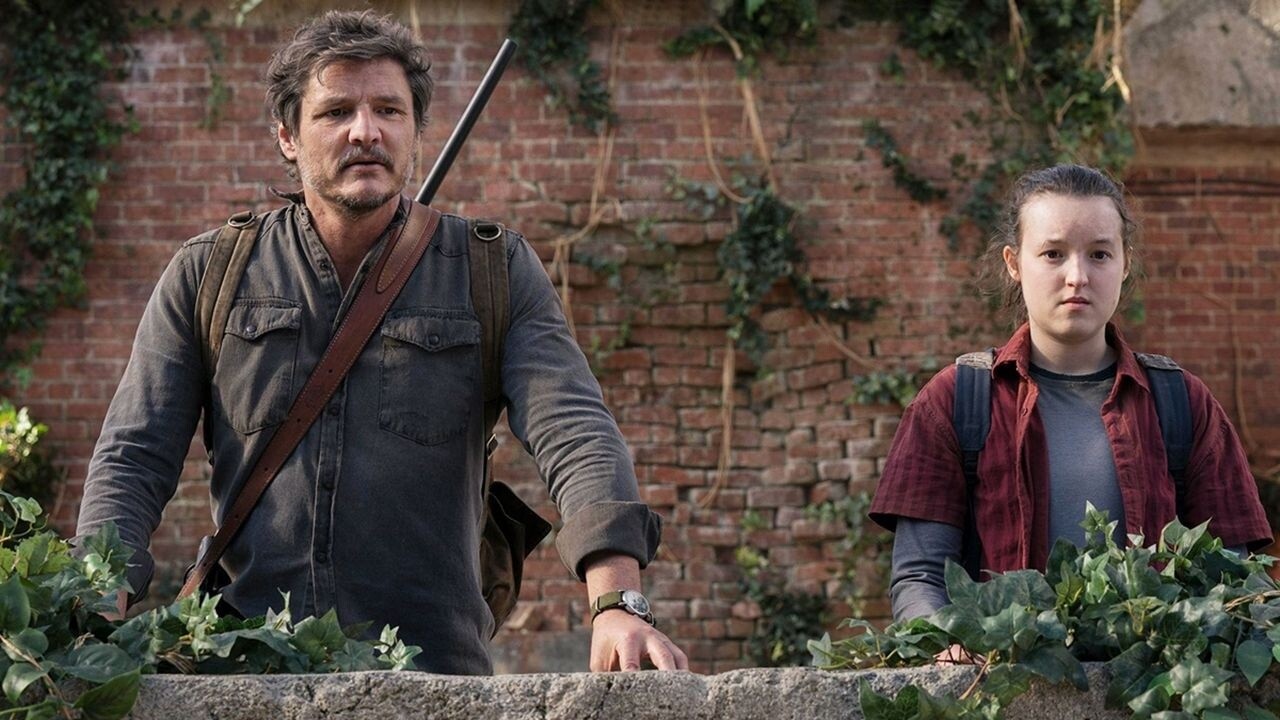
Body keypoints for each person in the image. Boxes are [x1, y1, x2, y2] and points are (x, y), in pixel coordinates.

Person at [75, 10, 687, 675]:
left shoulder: (493, 270)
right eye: (336, 111)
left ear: (415, 130)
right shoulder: (210, 274)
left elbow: (575, 428)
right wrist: (90, 610)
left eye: (389, 110)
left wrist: (617, 602)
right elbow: (134, 456)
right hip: (244, 665)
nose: (365, 131)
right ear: (287, 135)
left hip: (430, 674)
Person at [869, 163, 1272, 622]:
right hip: (1000, 669)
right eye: (1053, 254)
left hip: (1154, 670)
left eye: (1099, 254)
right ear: (1013, 263)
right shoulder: (954, 402)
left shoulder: (1182, 403)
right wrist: (947, 646)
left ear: (1125, 263)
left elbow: (1234, 581)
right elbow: (921, 577)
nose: (1077, 276)